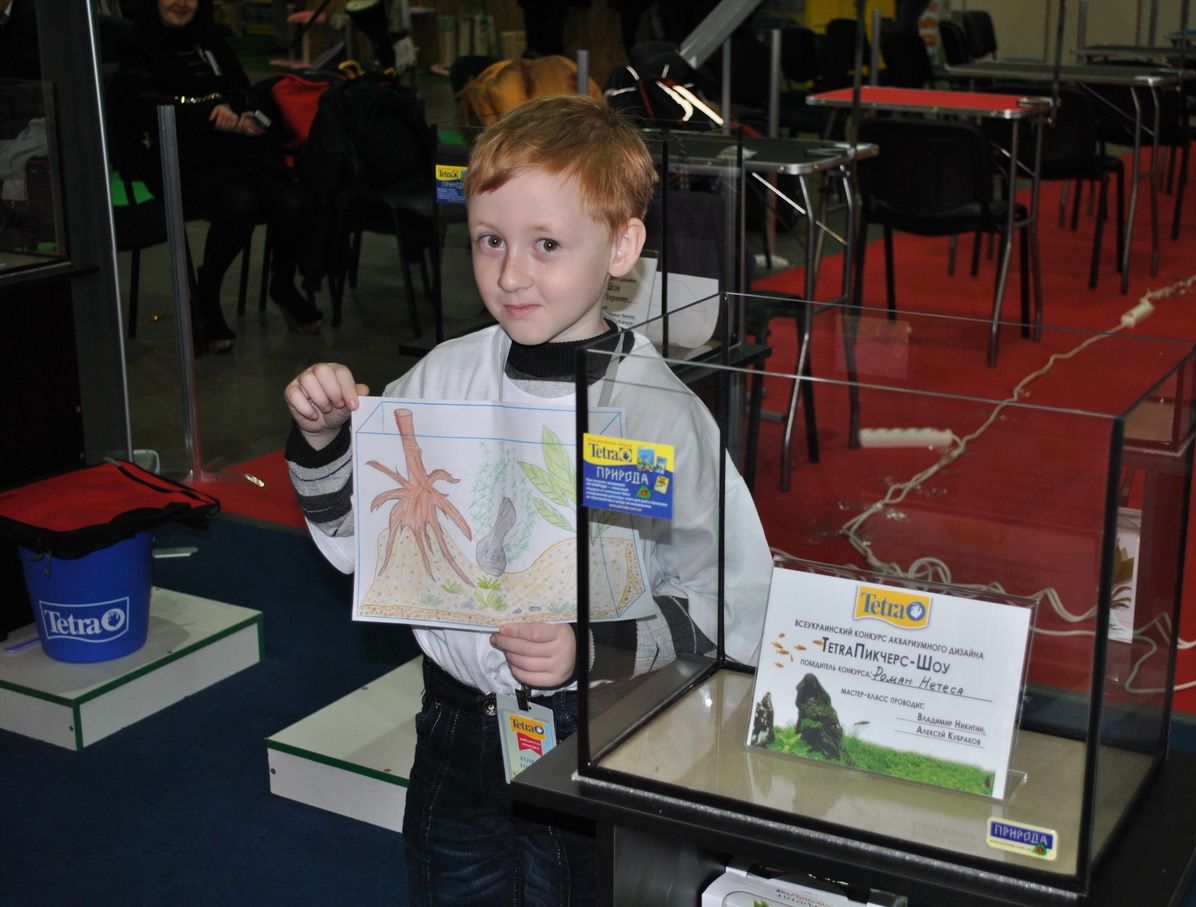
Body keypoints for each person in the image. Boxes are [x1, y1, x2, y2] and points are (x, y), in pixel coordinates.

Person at [283, 95, 772, 905]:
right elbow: (354, 541)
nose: (510, 274)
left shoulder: (658, 415)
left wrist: (592, 649)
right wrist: (323, 439)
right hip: (454, 724)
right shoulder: (442, 376)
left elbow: (728, 602)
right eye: (490, 240)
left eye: (546, 244)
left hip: (599, 729)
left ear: (621, 246)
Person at [115, 0, 324, 354]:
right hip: (176, 161)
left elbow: (242, 89)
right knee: (240, 203)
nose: (181, 3)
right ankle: (207, 293)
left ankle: (283, 284)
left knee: (292, 201)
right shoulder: (137, 48)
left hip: (232, 154)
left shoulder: (212, 40)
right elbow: (141, 107)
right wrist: (210, 114)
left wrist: (237, 111)